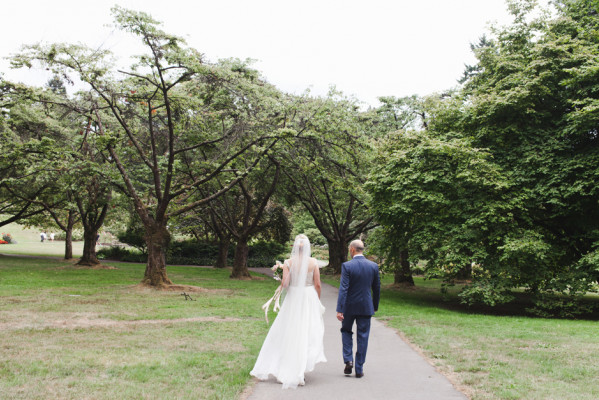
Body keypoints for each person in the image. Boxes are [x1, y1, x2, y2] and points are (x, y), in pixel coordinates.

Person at [251, 234, 327, 389]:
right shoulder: (313, 263)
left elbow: (285, 285)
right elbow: (317, 284)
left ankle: (285, 366)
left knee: (289, 330)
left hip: (293, 298)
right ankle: (300, 368)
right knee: (307, 331)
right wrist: (317, 300)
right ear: (307, 247)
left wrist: (280, 277)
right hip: (308, 297)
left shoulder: (288, 263)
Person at [336, 239, 380, 378]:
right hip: (366, 306)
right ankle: (359, 368)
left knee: (346, 331)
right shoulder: (373, 266)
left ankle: (348, 360)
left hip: (349, 306)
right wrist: (375, 305)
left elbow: (344, 288)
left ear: (352, 250)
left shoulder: (347, 266)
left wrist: (340, 308)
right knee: (363, 336)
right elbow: (376, 288)